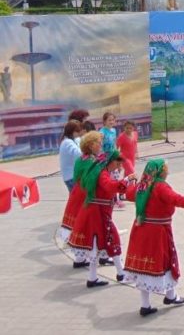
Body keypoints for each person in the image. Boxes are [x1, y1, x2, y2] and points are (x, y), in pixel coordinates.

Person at [123, 159, 184, 317]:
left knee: (143, 265)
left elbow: (129, 194)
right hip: (158, 232)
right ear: (160, 172)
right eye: (166, 169)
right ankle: (170, 296)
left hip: (140, 230)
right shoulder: (161, 187)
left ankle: (148, 304)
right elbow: (177, 199)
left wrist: (131, 181)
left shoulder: (142, 185)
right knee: (165, 261)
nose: (168, 172)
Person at [67, 150, 136, 287]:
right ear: (110, 161)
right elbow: (109, 187)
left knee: (96, 245)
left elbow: (108, 190)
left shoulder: (101, 171)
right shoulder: (102, 174)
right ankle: (121, 273)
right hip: (97, 214)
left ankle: (94, 278)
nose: (118, 167)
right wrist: (127, 180)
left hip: (96, 213)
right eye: (117, 163)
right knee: (112, 239)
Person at [58, 130, 101, 268]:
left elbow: (77, 176)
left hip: (77, 193)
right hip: (84, 195)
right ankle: (95, 257)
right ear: (90, 145)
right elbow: (92, 181)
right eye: (98, 143)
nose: (100, 145)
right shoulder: (91, 161)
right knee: (85, 225)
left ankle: (79, 258)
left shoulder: (82, 159)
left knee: (77, 225)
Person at [59, 120, 84, 192]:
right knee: (77, 199)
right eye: (77, 131)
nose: (79, 133)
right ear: (72, 132)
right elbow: (79, 154)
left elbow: (79, 141)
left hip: (71, 176)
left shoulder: (71, 140)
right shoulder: (67, 142)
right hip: (71, 177)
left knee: (76, 199)